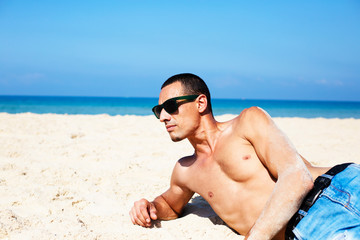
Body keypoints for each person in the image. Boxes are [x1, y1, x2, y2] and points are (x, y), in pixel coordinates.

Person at [129, 73, 360, 239]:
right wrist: (149, 207)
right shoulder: (185, 170)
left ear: (200, 103)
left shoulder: (247, 122)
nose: (163, 117)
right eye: (159, 111)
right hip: (302, 231)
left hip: (333, 193)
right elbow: (170, 204)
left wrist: (256, 236)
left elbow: (297, 177)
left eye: (171, 106)